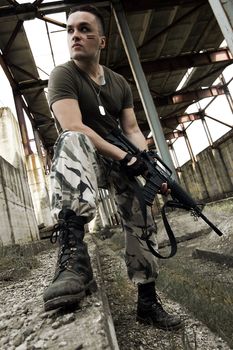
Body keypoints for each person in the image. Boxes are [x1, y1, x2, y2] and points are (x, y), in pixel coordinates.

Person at [43, 4, 182, 331]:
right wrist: (124, 157)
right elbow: (74, 125)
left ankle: (147, 302)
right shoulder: (63, 75)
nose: (75, 35)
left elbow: (132, 130)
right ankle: (74, 261)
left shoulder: (119, 83)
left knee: (141, 208)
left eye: (84, 29)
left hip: (120, 161)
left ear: (101, 41)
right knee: (71, 139)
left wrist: (149, 168)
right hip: (87, 158)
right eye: (70, 30)